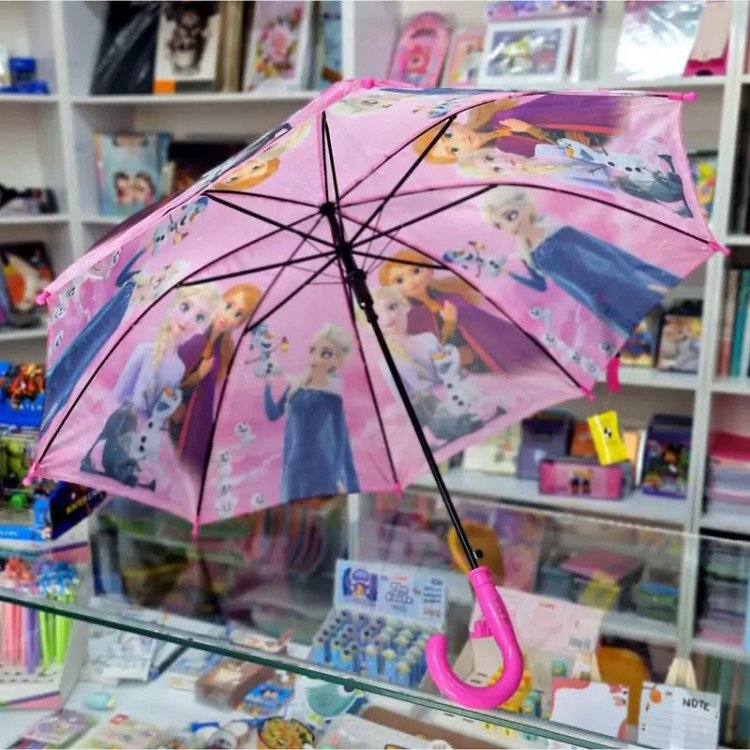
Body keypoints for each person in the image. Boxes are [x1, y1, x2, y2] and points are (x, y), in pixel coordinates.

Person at [481, 186, 680, 338]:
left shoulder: (561, 233)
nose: (509, 227)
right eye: (499, 225)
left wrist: (640, 280)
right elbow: (544, 285)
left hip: (618, 286)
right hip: (597, 302)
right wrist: (510, 273)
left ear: (528, 207)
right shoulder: (529, 255)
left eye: (511, 216)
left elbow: (608, 254)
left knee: (662, 322)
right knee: (647, 333)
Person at [42, 255, 187, 431]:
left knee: (67, 389)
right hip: (83, 344)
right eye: (165, 270)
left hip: (93, 358)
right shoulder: (132, 284)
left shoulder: (141, 315)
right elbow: (94, 331)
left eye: (164, 281)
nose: (160, 276)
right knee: (64, 379)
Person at [378, 248, 539, 375]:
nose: (412, 281)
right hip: (470, 371)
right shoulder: (414, 319)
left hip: (499, 352)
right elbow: (433, 352)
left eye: (416, 271)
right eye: (399, 280)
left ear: (430, 270)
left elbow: (485, 324)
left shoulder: (452, 296)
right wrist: (449, 323)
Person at [264, 324, 360, 502]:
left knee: (319, 510)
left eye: (326, 354)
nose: (315, 358)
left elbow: (340, 442)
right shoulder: (294, 388)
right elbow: (272, 414)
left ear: (338, 361)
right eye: (313, 350)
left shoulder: (333, 398)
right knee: (294, 510)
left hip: (320, 465)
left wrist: (337, 477)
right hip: (295, 464)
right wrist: (267, 386)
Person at [172, 283, 261, 473]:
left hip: (197, 423)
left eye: (238, 314)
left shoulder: (224, 352)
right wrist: (197, 376)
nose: (228, 316)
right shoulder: (194, 337)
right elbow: (171, 378)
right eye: (228, 305)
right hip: (174, 418)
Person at [413, 94, 624, 163]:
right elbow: (560, 151)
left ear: (454, 123)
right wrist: (529, 129)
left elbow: (557, 104)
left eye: (448, 135)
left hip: (597, 113)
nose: (459, 142)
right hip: (598, 142)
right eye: (453, 150)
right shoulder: (506, 148)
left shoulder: (496, 112)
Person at [113, 285, 220, 418]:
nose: (187, 319)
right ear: (172, 307)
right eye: (185, 307)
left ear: (202, 328)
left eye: (199, 318)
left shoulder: (178, 368)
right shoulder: (144, 351)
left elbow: (160, 414)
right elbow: (118, 396)